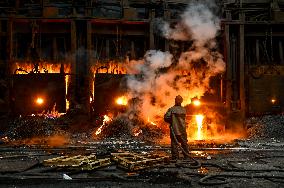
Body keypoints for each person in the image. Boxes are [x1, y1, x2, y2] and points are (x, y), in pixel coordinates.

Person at [164, 95, 189, 160]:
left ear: (175, 100)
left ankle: (175, 158)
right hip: (182, 130)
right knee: (184, 144)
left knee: (174, 144)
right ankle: (186, 156)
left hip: (174, 130)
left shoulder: (172, 109)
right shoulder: (183, 110)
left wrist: (171, 121)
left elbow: (166, 117)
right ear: (181, 101)